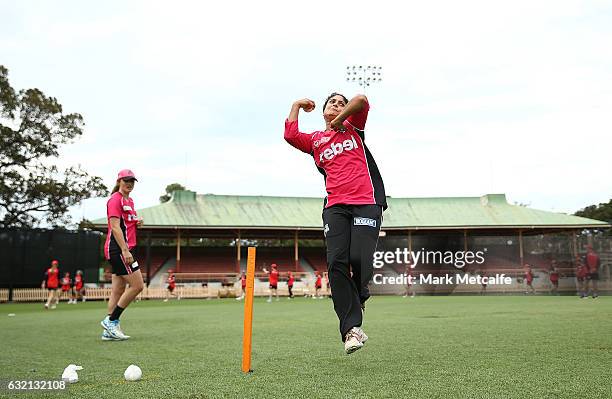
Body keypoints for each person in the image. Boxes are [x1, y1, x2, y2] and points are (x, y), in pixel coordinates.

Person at [285, 93, 386, 354]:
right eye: (333, 103)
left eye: (341, 103)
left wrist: (342, 119)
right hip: (335, 206)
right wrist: (296, 105)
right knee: (336, 262)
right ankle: (351, 330)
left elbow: (361, 100)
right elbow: (291, 135)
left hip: (366, 201)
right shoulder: (316, 140)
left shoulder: (354, 128)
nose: (338, 106)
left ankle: (360, 293)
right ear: (323, 111)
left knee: (360, 257)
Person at [100, 169, 144, 341]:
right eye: (126, 180)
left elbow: (126, 223)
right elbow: (115, 227)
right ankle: (111, 321)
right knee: (138, 285)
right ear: (119, 181)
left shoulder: (129, 201)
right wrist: (125, 251)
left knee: (117, 290)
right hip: (119, 250)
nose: (129, 183)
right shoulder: (114, 200)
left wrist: (136, 222)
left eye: (132, 181)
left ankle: (108, 332)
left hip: (125, 249)